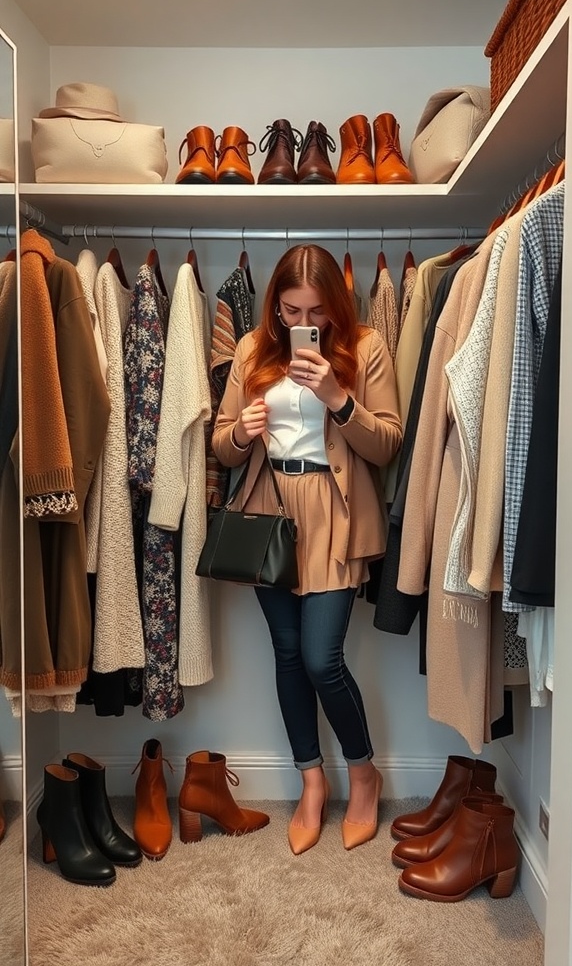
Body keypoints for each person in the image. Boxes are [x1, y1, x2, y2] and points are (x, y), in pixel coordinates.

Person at [211, 244, 402, 854]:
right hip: (271, 512)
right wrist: (239, 433)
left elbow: (389, 444)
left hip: (335, 511)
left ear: (335, 306)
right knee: (289, 655)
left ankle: (364, 773)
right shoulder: (250, 349)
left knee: (323, 658)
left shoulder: (365, 347)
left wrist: (340, 400)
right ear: (275, 305)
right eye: (290, 311)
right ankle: (311, 783)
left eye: (315, 312)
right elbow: (220, 446)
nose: (302, 325)